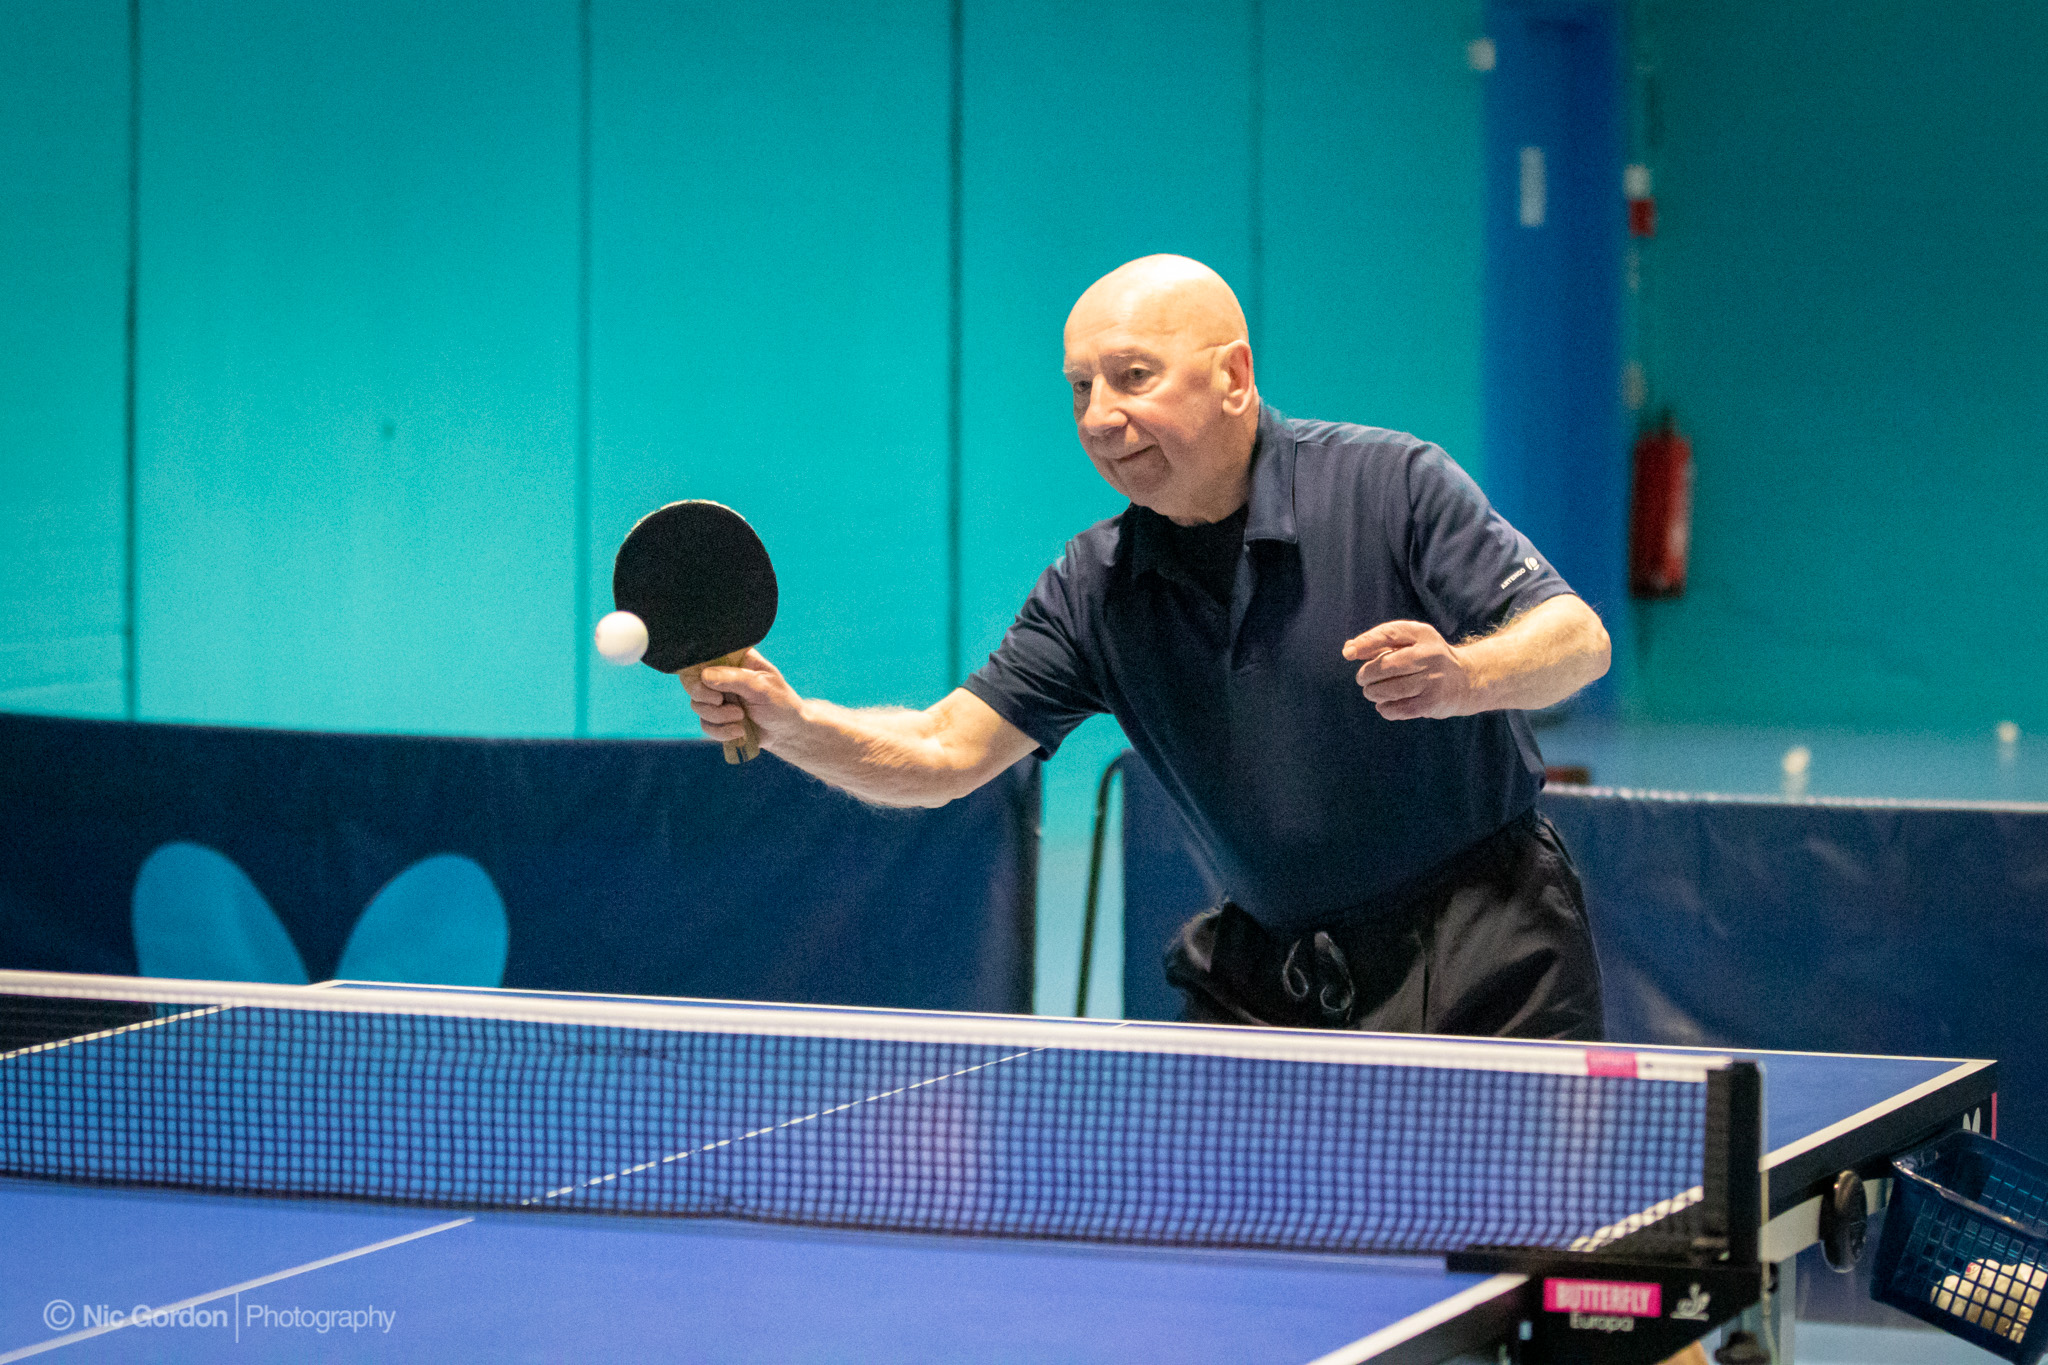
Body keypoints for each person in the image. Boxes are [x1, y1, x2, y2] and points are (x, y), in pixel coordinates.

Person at [682, 254, 1611, 1039]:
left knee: (1512, 1247)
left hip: (1487, 956)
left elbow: (1578, 641)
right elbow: (941, 753)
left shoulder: (1389, 484)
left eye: (1133, 377)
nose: (1096, 417)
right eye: (1080, 388)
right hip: (1273, 979)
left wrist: (1466, 674)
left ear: (1234, 376)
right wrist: (794, 724)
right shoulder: (1094, 587)